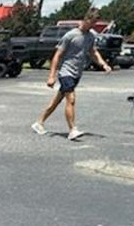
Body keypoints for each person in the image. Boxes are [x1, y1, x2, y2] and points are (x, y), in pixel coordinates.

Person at [31, 9, 113, 140]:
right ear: (86, 20)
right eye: (92, 22)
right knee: (71, 99)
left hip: (77, 73)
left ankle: (39, 123)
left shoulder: (91, 36)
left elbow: (93, 52)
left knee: (56, 101)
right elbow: (57, 55)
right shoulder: (70, 35)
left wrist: (104, 64)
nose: (93, 26)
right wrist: (52, 76)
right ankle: (72, 130)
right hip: (66, 72)